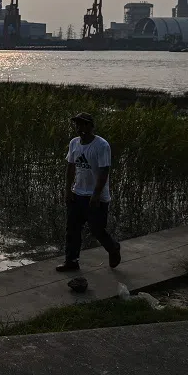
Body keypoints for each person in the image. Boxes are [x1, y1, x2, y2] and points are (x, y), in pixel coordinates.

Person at [56, 112, 122, 272]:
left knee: (97, 230)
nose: (80, 128)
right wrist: (67, 190)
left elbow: (104, 171)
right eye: (78, 124)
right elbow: (70, 167)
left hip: (96, 197)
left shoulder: (101, 145)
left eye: (84, 124)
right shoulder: (74, 143)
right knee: (72, 229)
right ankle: (71, 261)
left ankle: (113, 248)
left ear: (91, 126)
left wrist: (96, 194)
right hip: (77, 194)